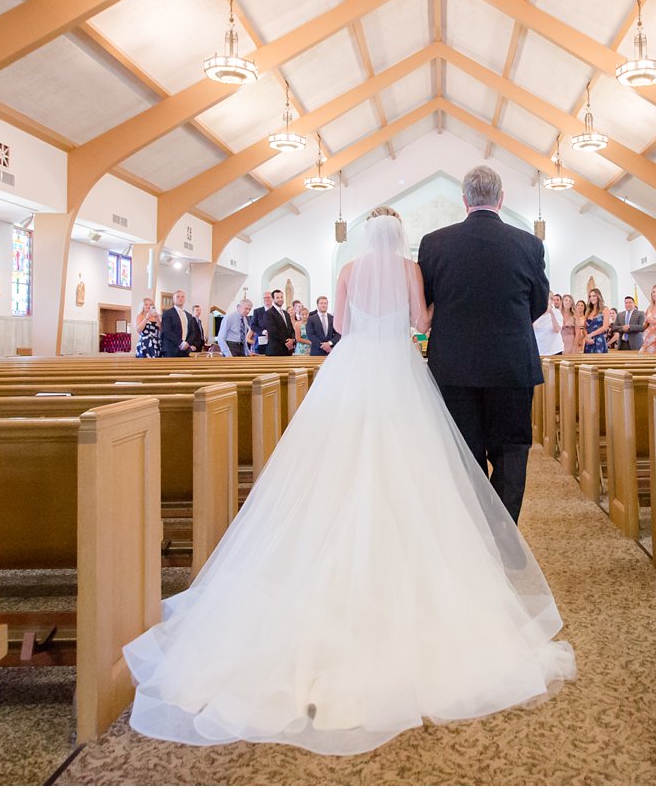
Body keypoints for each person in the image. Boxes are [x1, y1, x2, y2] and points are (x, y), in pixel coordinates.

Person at [124, 204, 575, 754]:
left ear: (365, 236)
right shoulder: (410, 270)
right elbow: (422, 324)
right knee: (415, 466)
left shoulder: (345, 272)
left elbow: (338, 326)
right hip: (399, 370)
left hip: (353, 371)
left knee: (337, 466)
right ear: (399, 236)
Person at [419, 165, 549, 524]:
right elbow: (538, 303)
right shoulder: (529, 243)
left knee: (464, 453)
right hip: (511, 366)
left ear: (464, 201)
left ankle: (474, 536)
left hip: (454, 367)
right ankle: (504, 536)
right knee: (511, 450)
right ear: (501, 198)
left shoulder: (434, 243)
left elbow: (425, 302)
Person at [160, 289, 205, 357]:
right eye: (178, 297)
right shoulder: (168, 313)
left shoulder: (189, 315)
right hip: (171, 350)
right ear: (173, 299)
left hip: (185, 350)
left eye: (182, 297)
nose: (180, 298)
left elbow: (192, 332)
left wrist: (187, 343)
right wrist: (180, 343)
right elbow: (167, 331)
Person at [263, 289, 296, 357]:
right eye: (277, 298)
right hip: (275, 350)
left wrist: (292, 339)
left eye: (281, 297)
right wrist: (287, 342)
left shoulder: (286, 313)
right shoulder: (268, 313)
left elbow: (291, 329)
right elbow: (273, 331)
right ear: (273, 299)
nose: (280, 299)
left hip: (287, 350)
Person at [581, 287, 610, 354]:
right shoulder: (588, 311)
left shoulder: (605, 309)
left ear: (599, 296)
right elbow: (584, 327)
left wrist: (590, 335)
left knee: (599, 362)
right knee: (587, 363)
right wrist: (586, 337)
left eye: (594, 296)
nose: (592, 298)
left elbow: (605, 327)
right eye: (590, 296)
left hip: (599, 340)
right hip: (588, 341)